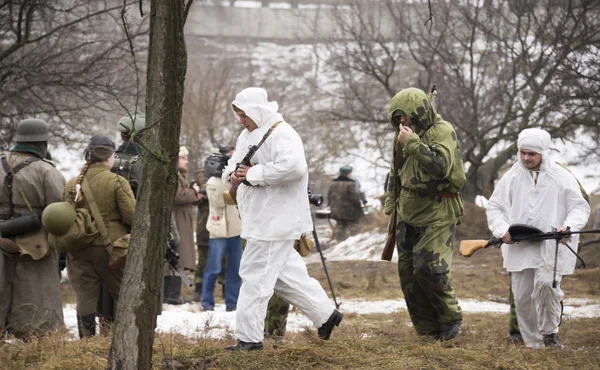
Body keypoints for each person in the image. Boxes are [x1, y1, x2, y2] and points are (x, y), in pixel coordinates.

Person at [222, 87, 342, 351]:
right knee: (285, 276)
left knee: (254, 276)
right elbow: (233, 167)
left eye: (244, 114)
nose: (241, 119)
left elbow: (294, 168)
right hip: (261, 220)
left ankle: (249, 339)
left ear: (257, 111)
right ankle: (326, 315)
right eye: (239, 115)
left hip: (273, 222)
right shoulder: (247, 135)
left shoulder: (283, 133)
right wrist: (233, 176)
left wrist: (254, 175)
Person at [486, 128, 590, 349]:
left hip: (550, 246)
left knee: (546, 288)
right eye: (523, 153)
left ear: (543, 152)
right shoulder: (512, 176)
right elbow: (495, 207)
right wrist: (502, 230)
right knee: (522, 297)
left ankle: (550, 335)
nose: (526, 158)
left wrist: (568, 227)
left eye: (531, 153)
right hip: (519, 246)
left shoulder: (561, 177)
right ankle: (533, 343)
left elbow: (579, 207)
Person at [384, 87, 465, 340]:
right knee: (408, 274)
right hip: (407, 211)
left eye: (406, 116)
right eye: (398, 118)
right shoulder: (402, 135)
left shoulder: (442, 131)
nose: (403, 122)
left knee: (429, 268)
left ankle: (450, 318)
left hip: (438, 210)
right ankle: (427, 328)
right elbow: (394, 172)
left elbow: (441, 167)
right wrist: (391, 203)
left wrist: (412, 143)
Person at [64, 134, 136, 338]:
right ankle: (126, 339)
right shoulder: (116, 181)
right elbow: (132, 216)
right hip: (111, 247)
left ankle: (87, 342)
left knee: (85, 296)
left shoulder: (71, 184)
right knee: (123, 293)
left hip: (78, 246)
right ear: (110, 155)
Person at [0, 119, 66, 340]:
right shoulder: (46, 171)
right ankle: (38, 339)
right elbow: (59, 213)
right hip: (35, 244)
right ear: (42, 143)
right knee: (38, 299)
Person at [201, 150, 243, 312]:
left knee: (234, 269)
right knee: (213, 269)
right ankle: (207, 303)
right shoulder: (212, 182)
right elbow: (219, 202)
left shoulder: (229, 181)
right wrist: (232, 186)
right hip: (218, 232)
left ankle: (232, 303)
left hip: (235, 229)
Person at [166, 146, 203, 304]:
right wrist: (193, 192)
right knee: (174, 257)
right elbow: (176, 195)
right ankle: (171, 295)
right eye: (183, 158)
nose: (186, 161)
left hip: (182, 219)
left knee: (178, 258)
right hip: (176, 219)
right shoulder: (172, 175)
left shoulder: (180, 176)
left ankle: (174, 293)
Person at [327, 165, 363, 241]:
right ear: (348, 174)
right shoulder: (350, 184)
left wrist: (330, 206)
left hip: (336, 211)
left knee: (340, 227)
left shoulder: (333, 183)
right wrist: (360, 209)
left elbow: (329, 196)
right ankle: (351, 242)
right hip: (348, 212)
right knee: (352, 228)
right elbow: (355, 198)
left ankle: (340, 241)